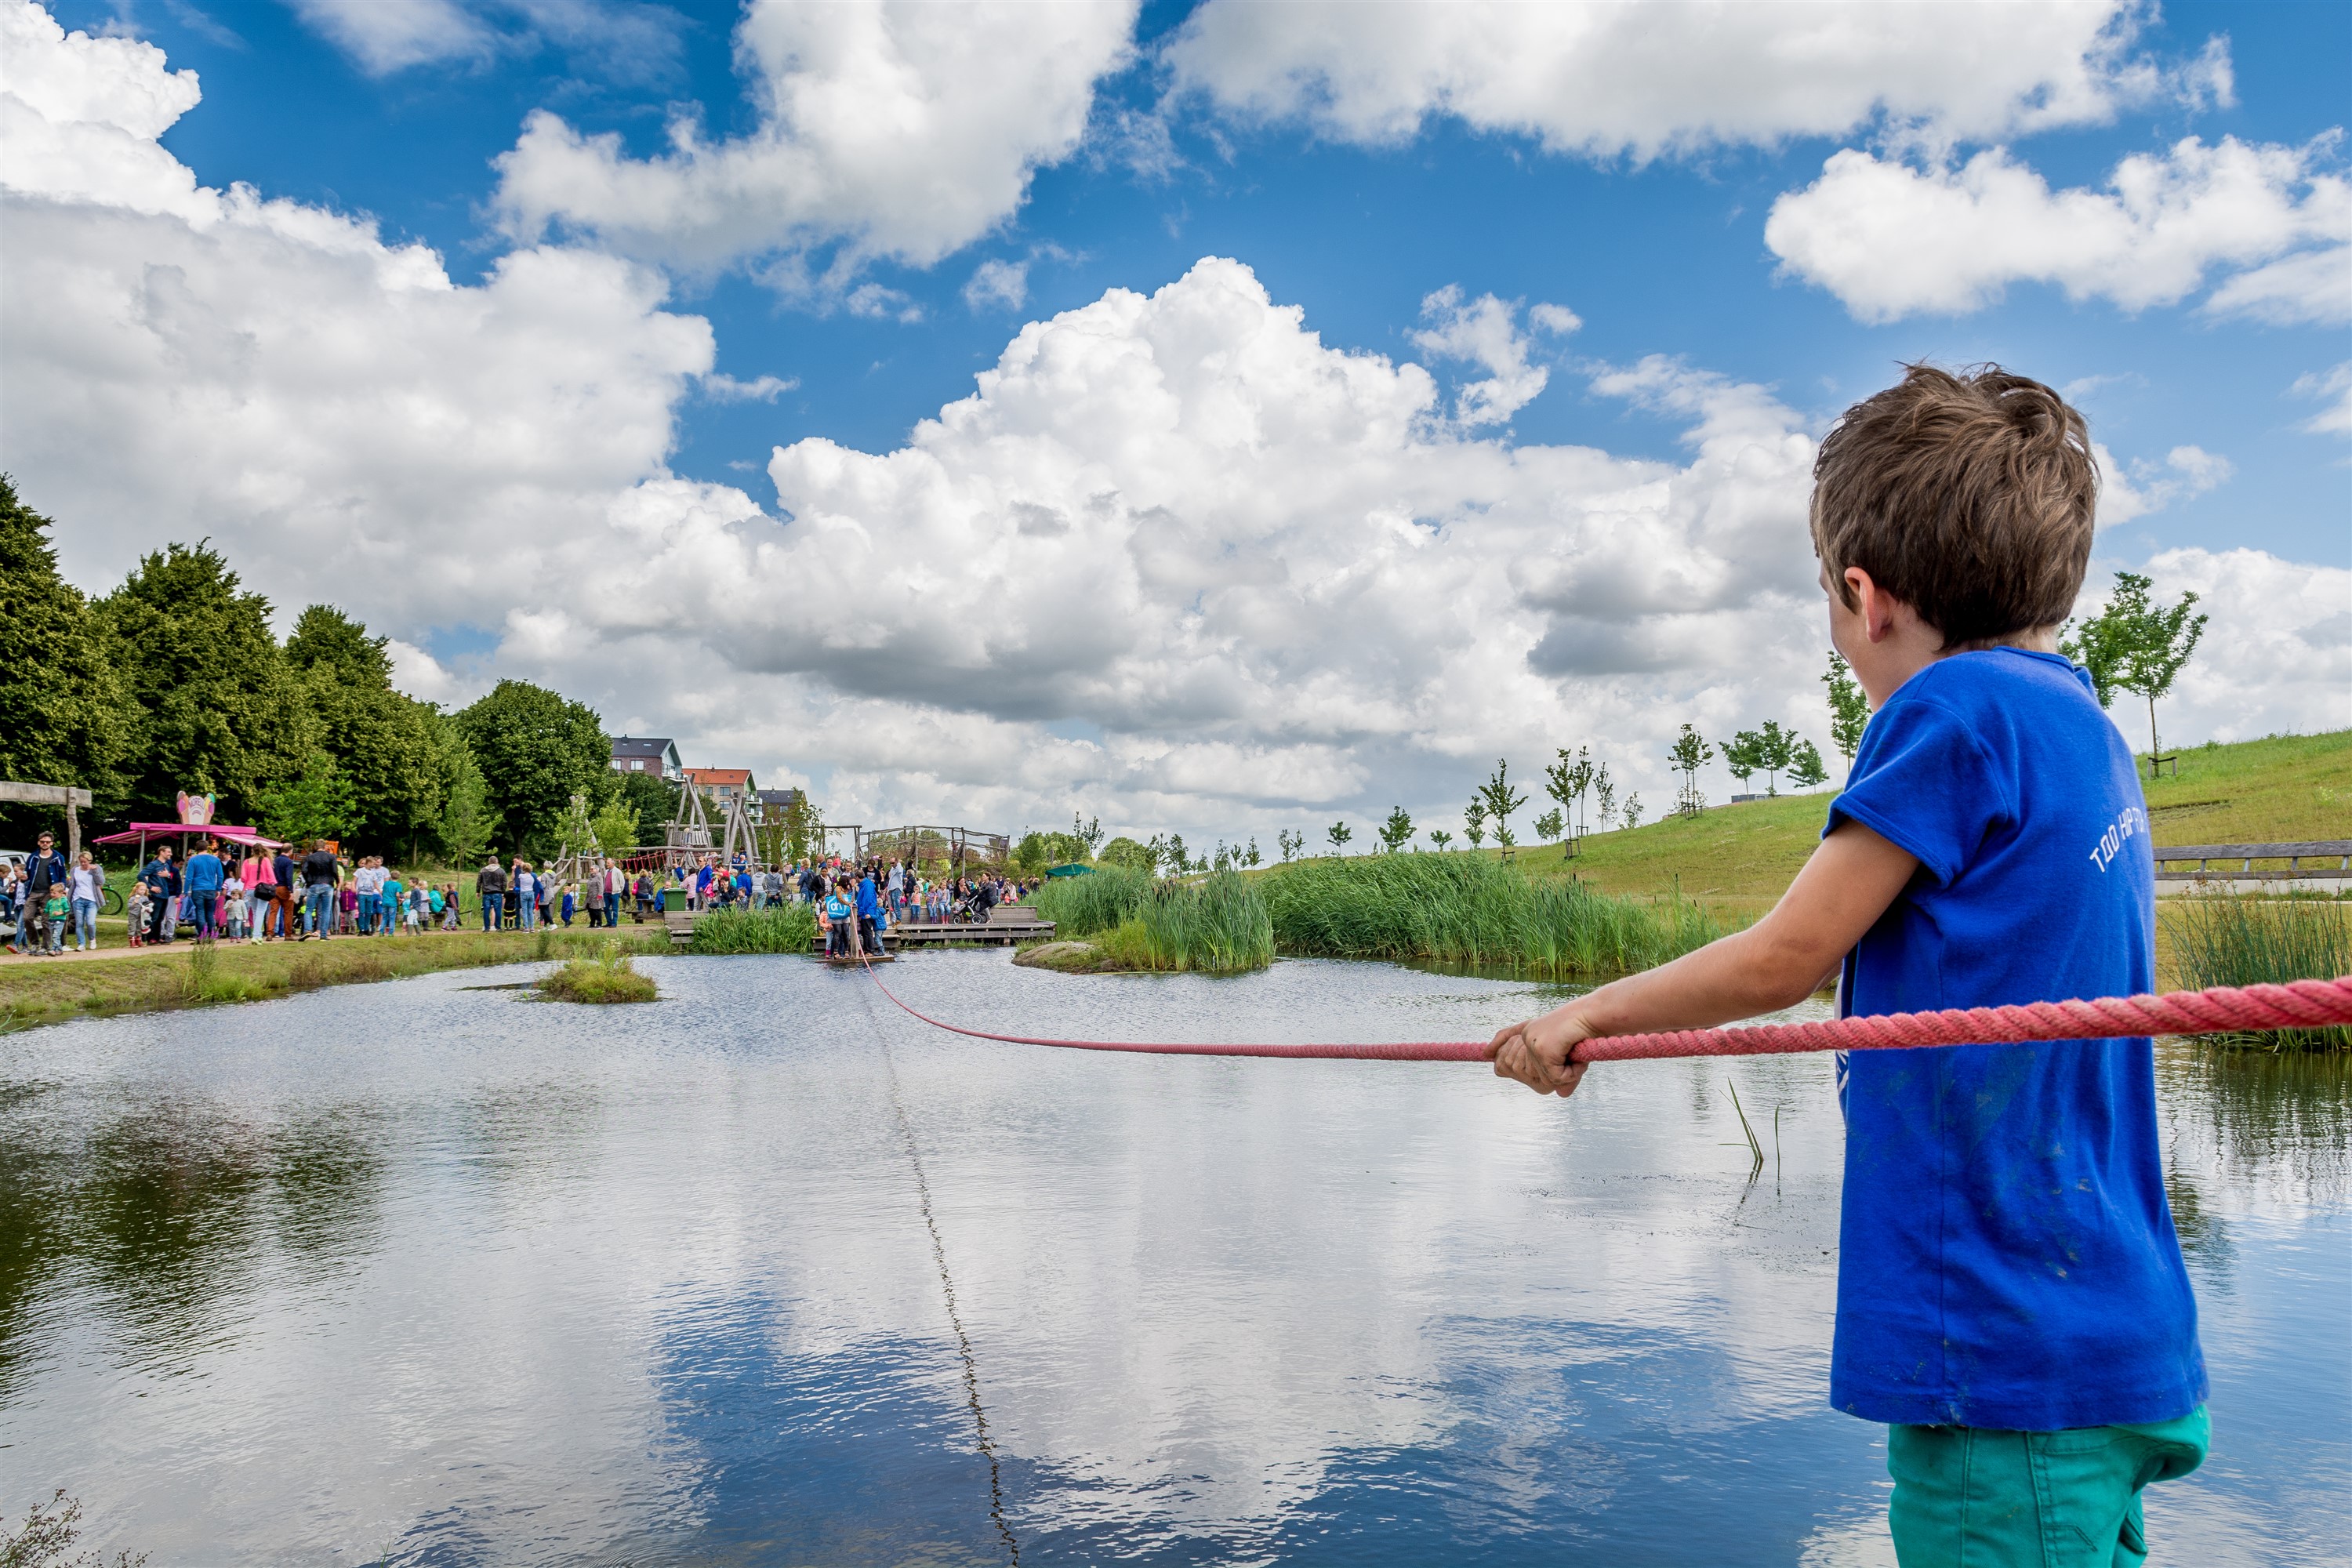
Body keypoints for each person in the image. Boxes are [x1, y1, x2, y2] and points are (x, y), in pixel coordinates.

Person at [1485, 366, 2205, 1565]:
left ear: (1864, 597)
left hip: (1998, 1350)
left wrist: (1583, 1015)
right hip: (2112, 1330)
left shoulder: (1953, 708)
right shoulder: (2082, 725)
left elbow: (1787, 955)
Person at [185, 836, 228, 942]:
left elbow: (189, 877)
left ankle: (201, 936)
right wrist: (218, 889)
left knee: (200, 912)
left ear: (196, 848)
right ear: (207, 847)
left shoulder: (193, 860)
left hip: (197, 889)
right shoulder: (215, 860)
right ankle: (211, 935)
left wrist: (186, 891)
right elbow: (220, 876)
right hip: (211, 889)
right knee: (210, 913)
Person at [299, 839, 339, 939]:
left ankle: (307, 930)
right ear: (325, 846)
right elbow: (335, 871)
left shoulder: (310, 857)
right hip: (327, 884)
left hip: (314, 884)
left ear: (315, 847)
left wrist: (309, 881)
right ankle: (324, 935)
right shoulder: (331, 857)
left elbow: (304, 870)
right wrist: (337, 881)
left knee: (309, 909)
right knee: (326, 910)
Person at [68, 850, 103, 953]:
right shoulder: (75, 870)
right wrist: (67, 882)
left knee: (90, 922)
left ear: (90, 861)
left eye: (85, 862)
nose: (83, 864)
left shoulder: (96, 868)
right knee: (79, 923)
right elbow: (71, 884)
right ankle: (81, 944)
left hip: (91, 899)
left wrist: (95, 871)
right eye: (81, 862)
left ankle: (92, 939)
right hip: (77, 899)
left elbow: (101, 882)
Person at [822, 876, 855, 958]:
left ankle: (846, 950)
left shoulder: (846, 890)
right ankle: (835, 951)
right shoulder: (838, 888)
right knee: (838, 932)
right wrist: (848, 903)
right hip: (836, 913)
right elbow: (839, 898)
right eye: (847, 882)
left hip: (844, 913)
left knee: (846, 932)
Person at [477, 857, 506, 932]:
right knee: (498, 910)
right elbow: (504, 882)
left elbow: (479, 882)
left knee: (486, 911)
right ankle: (498, 927)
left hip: (486, 893)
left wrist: (478, 891)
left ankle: (487, 928)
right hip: (497, 893)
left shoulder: (483, 870)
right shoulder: (501, 871)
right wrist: (503, 892)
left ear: (489, 862)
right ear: (497, 862)